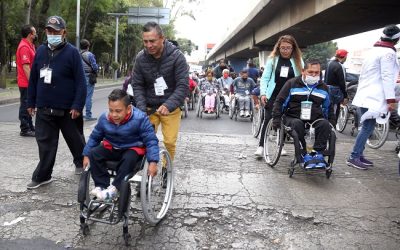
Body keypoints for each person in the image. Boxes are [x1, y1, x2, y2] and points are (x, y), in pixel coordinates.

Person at [26, 16, 87, 189]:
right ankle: (42, 176)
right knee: (45, 145)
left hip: (68, 109)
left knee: (76, 141)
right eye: (49, 31)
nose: (52, 34)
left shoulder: (72, 53)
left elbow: (81, 82)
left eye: (56, 31)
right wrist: (30, 102)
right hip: (44, 107)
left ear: (64, 33)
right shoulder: (40, 51)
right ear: (45, 32)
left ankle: (82, 162)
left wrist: (77, 105)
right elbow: (34, 80)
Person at [82, 89, 159, 200]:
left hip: (132, 148)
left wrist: (153, 162)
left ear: (128, 109)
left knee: (129, 157)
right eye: (111, 110)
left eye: (118, 111)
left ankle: (115, 188)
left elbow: (151, 141)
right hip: (112, 146)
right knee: (94, 153)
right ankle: (101, 186)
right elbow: (95, 137)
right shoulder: (105, 118)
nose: (114, 115)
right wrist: (86, 155)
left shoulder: (140, 118)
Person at [131, 21, 188, 161]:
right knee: (143, 140)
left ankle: (166, 172)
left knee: (169, 142)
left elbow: (182, 86)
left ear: (162, 38)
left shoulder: (177, 57)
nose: (149, 45)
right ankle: (147, 168)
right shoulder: (140, 58)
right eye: (145, 41)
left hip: (171, 108)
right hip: (149, 107)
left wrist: (168, 105)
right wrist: (142, 108)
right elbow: (137, 85)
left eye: (152, 41)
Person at [347, 24, 400, 170]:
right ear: (396, 39)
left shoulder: (374, 50)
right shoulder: (388, 53)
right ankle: (354, 156)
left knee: (367, 127)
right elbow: (387, 77)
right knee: (368, 128)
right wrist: (390, 100)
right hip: (374, 98)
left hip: (366, 95)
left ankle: (358, 154)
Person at [272, 59, 335, 169]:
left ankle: (317, 154)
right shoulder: (292, 84)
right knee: (297, 124)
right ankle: (304, 153)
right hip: (293, 116)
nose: (314, 75)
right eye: (311, 72)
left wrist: (331, 122)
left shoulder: (324, 88)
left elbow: (328, 108)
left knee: (324, 124)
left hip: (314, 118)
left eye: (317, 73)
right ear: (303, 71)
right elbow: (280, 102)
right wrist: (276, 119)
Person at [254, 35, 304, 158]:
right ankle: (261, 146)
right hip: (274, 94)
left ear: (293, 48)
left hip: (290, 96)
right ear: (278, 47)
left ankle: (279, 145)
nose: (285, 50)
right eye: (282, 48)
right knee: (269, 118)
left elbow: (302, 78)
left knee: (284, 120)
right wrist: (263, 93)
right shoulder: (273, 59)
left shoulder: (298, 61)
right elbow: (265, 78)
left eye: (288, 48)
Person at [16, 24, 37, 137]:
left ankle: (30, 126)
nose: (36, 34)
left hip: (28, 82)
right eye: (34, 33)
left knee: (29, 104)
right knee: (25, 105)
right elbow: (26, 67)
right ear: (30, 35)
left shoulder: (30, 45)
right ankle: (24, 128)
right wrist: (32, 83)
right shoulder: (24, 47)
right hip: (25, 82)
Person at [324, 49, 348, 124]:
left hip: (326, 88)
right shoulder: (340, 66)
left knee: (327, 108)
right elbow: (342, 82)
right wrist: (345, 95)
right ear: (344, 57)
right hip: (335, 90)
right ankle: (332, 126)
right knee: (334, 111)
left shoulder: (329, 63)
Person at [80, 39, 99, 121]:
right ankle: (88, 115)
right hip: (89, 76)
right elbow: (95, 67)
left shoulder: (77, 54)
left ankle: (80, 113)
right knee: (88, 96)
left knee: (81, 96)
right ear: (88, 47)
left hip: (80, 77)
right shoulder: (90, 55)